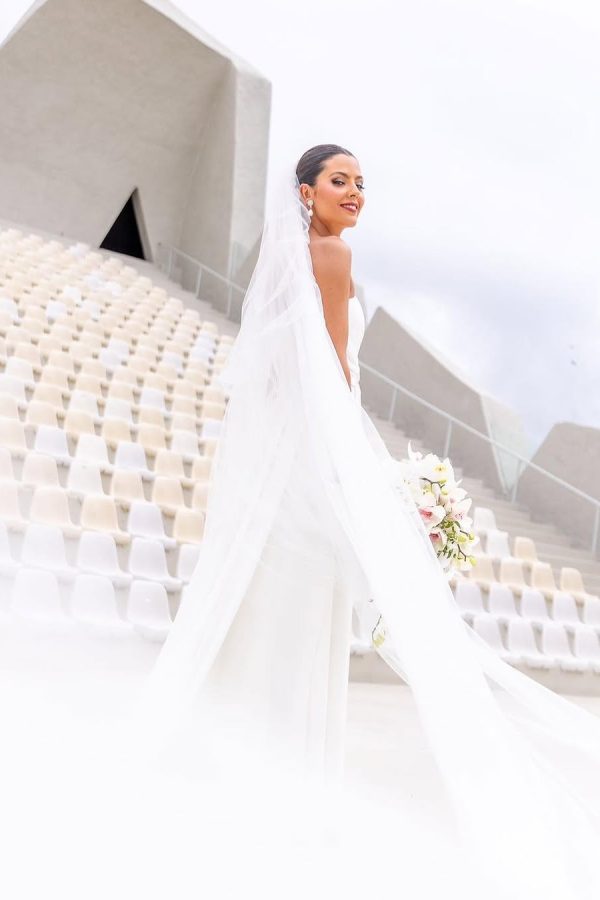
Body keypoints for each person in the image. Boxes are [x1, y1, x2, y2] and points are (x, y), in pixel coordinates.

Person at [134, 144, 600, 900]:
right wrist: (374, 470)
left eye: (360, 184)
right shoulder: (333, 259)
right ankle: (287, 784)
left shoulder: (285, 268)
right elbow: (337, 377)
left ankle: (231, 767)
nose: (353, 193)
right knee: (308, 613)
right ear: (304, 192)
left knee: (271, 608)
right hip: (318, 458)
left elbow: (282, 377)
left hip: (284, 470)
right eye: (338, 181)